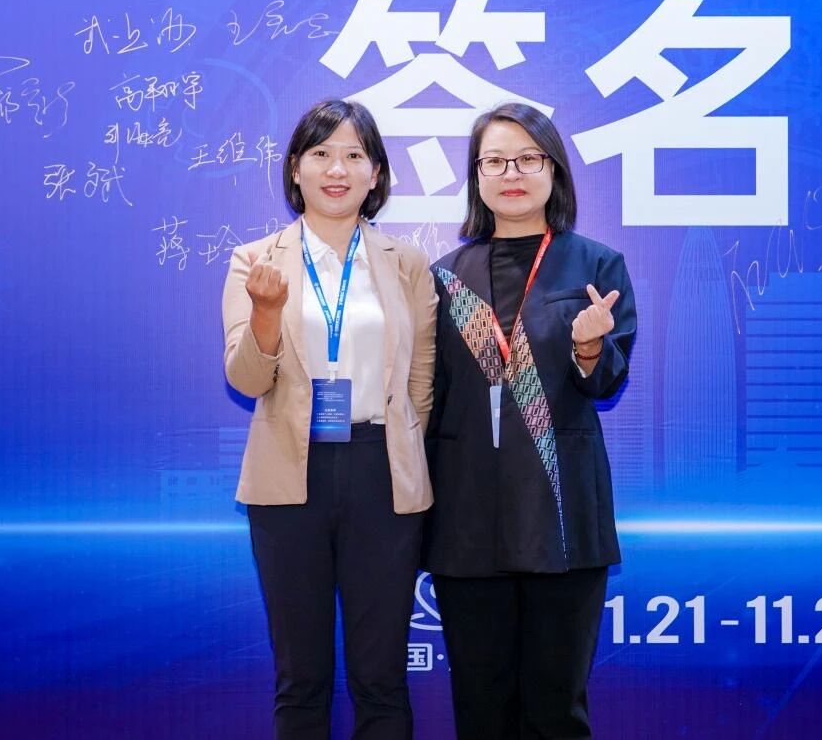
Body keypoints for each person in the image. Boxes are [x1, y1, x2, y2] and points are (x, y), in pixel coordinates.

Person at [221, 99, 437, 740]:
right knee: (301, 676)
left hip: (382, 472)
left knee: (381, 676)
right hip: (289, 474)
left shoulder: (406, 262)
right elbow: (246, 380)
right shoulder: (255, 260)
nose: (336, 170)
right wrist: (266, 313)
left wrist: (403, 452)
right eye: (321, 154)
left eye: (353, 155)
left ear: (376, 173)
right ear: (295, 169)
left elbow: (421, 383)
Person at [425, 102, 636, 739]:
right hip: (468, 517)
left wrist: (589, 346)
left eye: (527, 158)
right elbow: (427, 396)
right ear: (476, 176)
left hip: (561, 513)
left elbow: (606, 382)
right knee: (480, 707)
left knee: (556, 708)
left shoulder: (596, 267)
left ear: (554, 170)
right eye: (494, 161)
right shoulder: (443, 277)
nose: (511, 173)